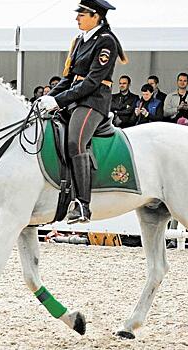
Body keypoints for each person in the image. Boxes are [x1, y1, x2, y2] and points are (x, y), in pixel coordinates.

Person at [39, 0, 126, 224]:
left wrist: (58, 100)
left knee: (75, 142)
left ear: (96, 16)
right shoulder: (79, 40)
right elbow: (69, 78)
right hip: (76, 99)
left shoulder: (106, 42)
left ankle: (82, 205)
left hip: (93, 101)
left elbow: (92, 82)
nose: (77, 17)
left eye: (82, 14)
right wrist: (47, 97)